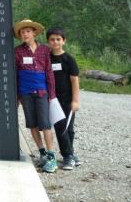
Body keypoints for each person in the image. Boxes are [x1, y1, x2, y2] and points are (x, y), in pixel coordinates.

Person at [14, 19, 57, 173]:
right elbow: (15, 75)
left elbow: (49, 71)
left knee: (45, 123)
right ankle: (42, 152)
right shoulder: (17, 51)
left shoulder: (45, 50)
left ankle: (52, 156)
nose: (25, 34)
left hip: (41, 91)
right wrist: (17, 96)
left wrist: (52, 94)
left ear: (34, 33)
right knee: (32, 123)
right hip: (25, 92)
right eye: (22, 32)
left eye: (28, 31)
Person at [46, 27, 81, 170]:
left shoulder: (69, 60)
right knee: (61, 127)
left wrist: (75, 101)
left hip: (67, 99)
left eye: (58, 39)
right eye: (52, 39)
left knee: (69, 128)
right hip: (53, 99)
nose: (55, 42)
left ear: (64, 41)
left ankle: (69, 155)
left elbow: (74, 81)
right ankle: (68, 156)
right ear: (48, 41)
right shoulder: (46, 58)